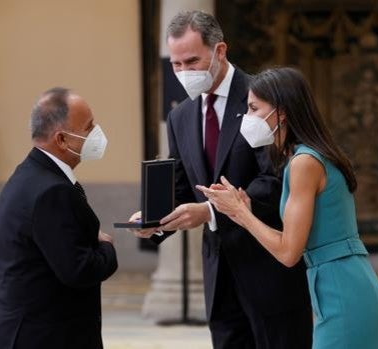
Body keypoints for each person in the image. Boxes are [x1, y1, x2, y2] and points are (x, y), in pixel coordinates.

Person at [131, 11, 312, 349]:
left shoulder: (262, 97)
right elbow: (183, 189)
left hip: (270, 269)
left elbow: (275, 178)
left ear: (220, 51)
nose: (185, 72)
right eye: (176, 64)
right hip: (218, 273)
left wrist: (211, 211)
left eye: (192, 61)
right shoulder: (180, 116)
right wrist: (154, 220)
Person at [198, 67, 378, 349]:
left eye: (253, 108)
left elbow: (288, 252)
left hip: (342, 291)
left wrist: (240, 213)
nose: (246, 118)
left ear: (282, 113)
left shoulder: (303, 163)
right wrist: (244, 212)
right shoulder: (306, 157)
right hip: (343, 285)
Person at [0, 87, 118, 349]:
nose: (95, 133)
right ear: (62, 140)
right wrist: (106, 247)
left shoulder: (30, 174)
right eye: (88, 127)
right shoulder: (52, 190)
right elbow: (79, 270)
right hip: (39, 336)